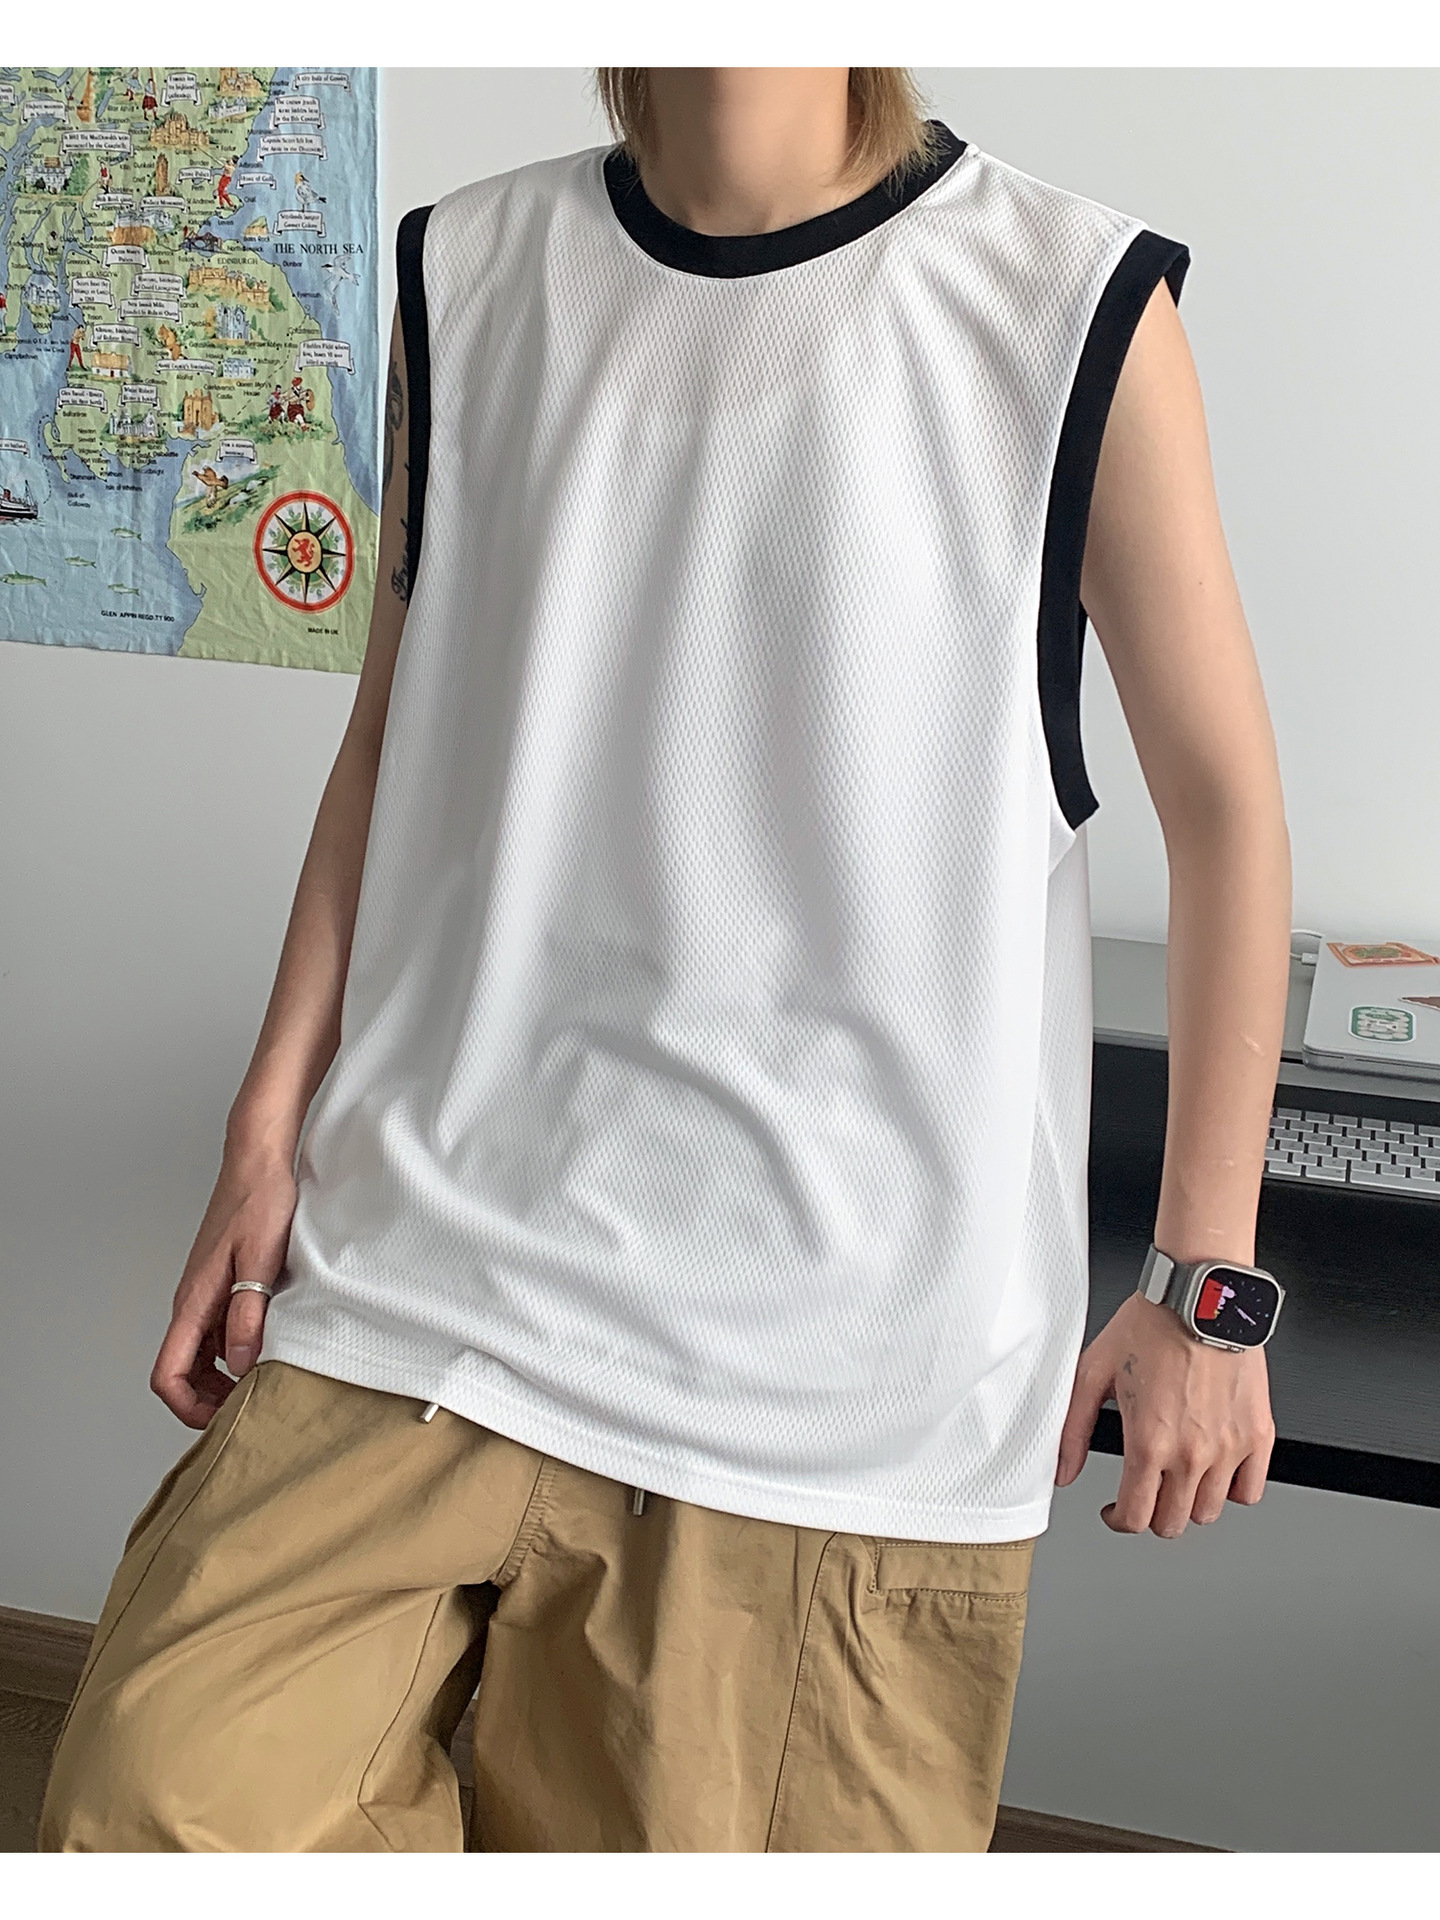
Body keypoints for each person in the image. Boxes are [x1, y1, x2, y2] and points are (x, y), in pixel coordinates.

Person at [39, 67, 1290, 1853]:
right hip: (424, 1276)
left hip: (834, 1371)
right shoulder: (467, 270)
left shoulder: (1067, 303)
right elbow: (389, 741)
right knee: (147, 1810)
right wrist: (266, 1128)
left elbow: (1227, 814)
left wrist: (1206, 1283)